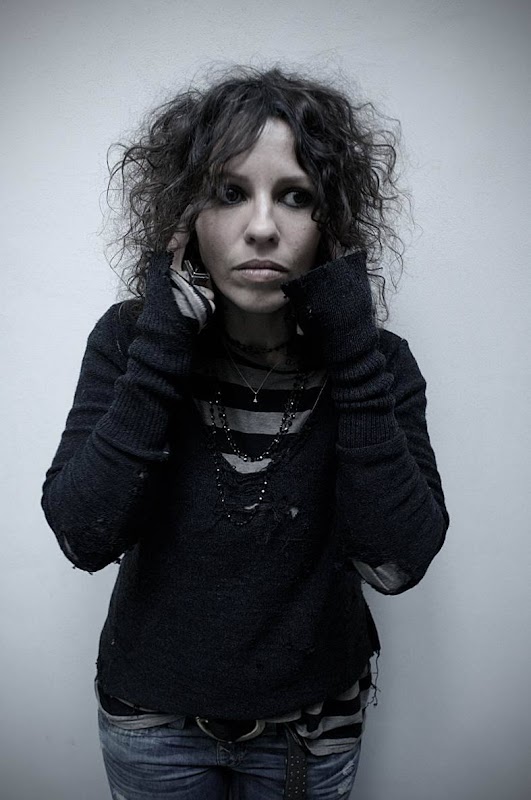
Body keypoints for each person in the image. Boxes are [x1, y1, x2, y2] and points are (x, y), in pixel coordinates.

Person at [41, 66, 449, 799]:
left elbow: (395, 563)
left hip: (310, 731)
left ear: (331, 221)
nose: (261, 227)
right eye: (229, 193)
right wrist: (162, 341)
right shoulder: (129, 341)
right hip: (151, 722)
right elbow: (83, 536)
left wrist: (352, 351)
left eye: (295, 196)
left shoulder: (378, 363)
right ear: (185, 214)